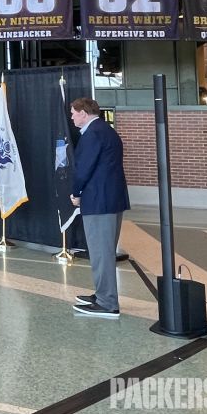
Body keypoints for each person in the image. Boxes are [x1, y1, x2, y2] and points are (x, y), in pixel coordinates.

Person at [69, 97, 131, 319]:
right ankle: (102, 294)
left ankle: (107, 303)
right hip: (112, 200)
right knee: (104, 252)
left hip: (99, 202)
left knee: (100, 254)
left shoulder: (92, 134)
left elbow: (84, 168)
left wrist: (76, 193)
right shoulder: (106, 130)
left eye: (74, 113)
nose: (72, 117)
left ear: (84, 113)